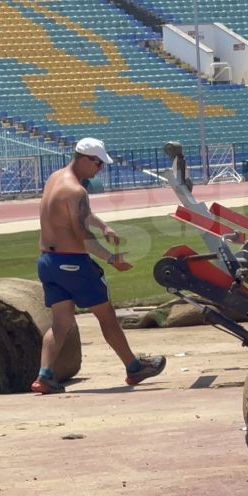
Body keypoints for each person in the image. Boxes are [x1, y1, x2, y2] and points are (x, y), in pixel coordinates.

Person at [31, 137, 166, 394]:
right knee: (107, 316)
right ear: (83, 158)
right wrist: (111, 258)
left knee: (61, 323)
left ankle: (44, 376)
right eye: (97, 163)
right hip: (73, 264)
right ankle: (134, 367)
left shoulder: (55, 179)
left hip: (47, 262)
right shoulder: (77, 191)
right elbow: (81, 233)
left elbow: (77, 214)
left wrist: (103, 225)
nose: (100, 169)